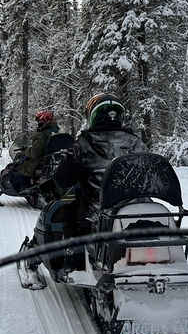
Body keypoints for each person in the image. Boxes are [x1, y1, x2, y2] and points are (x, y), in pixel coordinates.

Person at [51, 93, 146, 231]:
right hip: (137, 212)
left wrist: (53, 187)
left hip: (97, 215)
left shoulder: (83, 145)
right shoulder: (138, 143)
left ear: (93, 117)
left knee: (70, 212)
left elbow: (63, 180)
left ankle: (71, 251)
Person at [8, 110, 60, 192]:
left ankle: (23, 187)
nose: (39, 123)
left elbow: (34, 153)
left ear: (47, 121)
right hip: (54, 160)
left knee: (19, 167)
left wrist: (26, 152)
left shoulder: (43, 135)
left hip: (40, 161)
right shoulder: (58, 132)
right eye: (38, 121)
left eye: (41, 121)